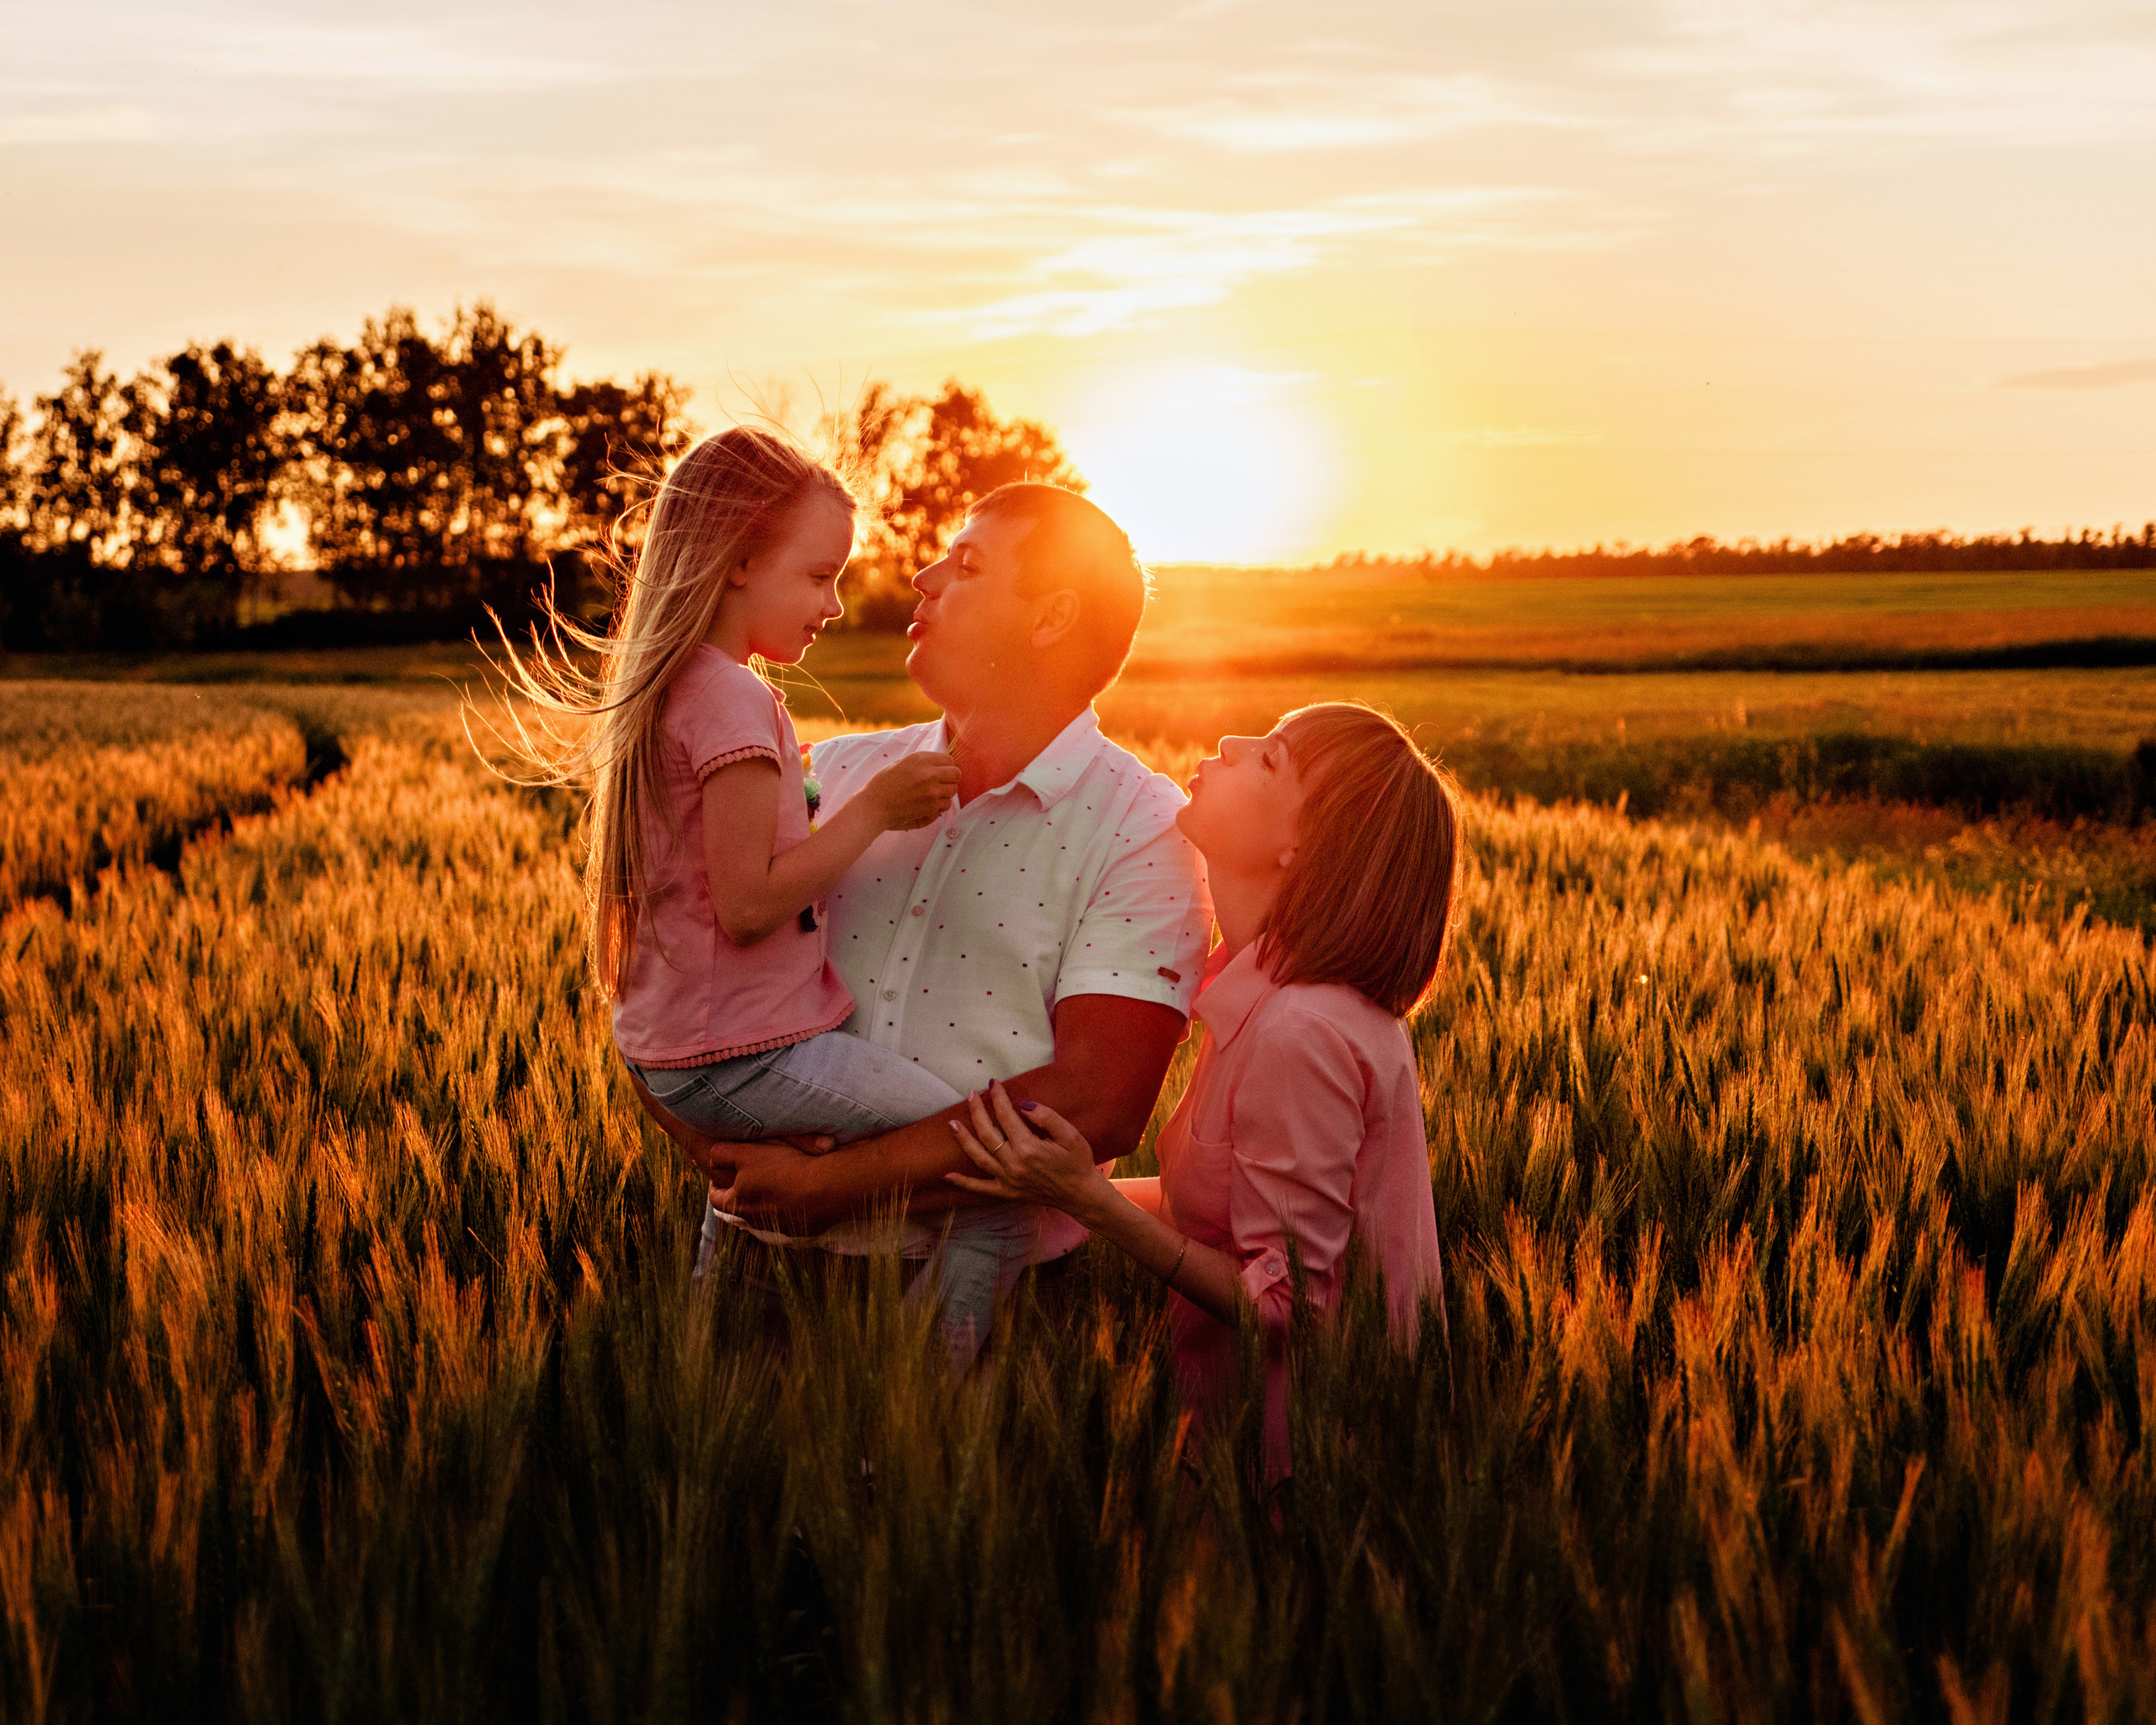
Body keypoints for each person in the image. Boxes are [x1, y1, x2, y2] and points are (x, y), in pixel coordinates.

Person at [488, 426, 1039, 1355]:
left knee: (798, 1208)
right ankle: (932, 1399)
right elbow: (748, 904)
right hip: (741, 1058)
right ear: (741, 561)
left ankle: (742, 1358)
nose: (836, 603)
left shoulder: (679, 687)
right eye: (819, 575)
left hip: (686, 1052)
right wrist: (872, 812)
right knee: (992, 1174)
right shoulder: (731, 699)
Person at [637, 483, 1214, 1361]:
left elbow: (1097, 1100)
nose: (923, 572)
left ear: (1050, 616)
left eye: (967, 563)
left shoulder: (1140, 828)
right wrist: (719, 1148)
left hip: (998, 1300)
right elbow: (669, 963)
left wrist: (830, 1184)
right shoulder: (833, 769)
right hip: (758, 1263)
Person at [942, 703, 1458, 1476]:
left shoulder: (1301, 1031)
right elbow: (1214, 1214)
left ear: (1302, 844)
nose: (1230, 741)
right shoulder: (1264, 998)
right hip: (1240, 1441)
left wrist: (1089, 1200)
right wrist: (1045, 1185)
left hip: (1299, 1471)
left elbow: (1292, 1311)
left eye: (1272, 758)